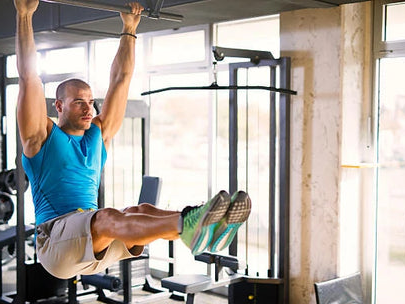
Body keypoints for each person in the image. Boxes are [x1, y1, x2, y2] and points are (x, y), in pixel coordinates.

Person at [14, 0, 252, 280]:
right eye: (78, 102)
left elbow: (121, 80)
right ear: (59, 106)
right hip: (57, 243)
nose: (88, 108)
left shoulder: (98, 135)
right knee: (107, 217)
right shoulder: (41, 137)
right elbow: (29, 77)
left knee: (141, 210)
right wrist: (25, 14)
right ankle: (189, 224)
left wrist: (129, 30)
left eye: (90, 101)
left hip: (95, 245)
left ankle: (201, 222)